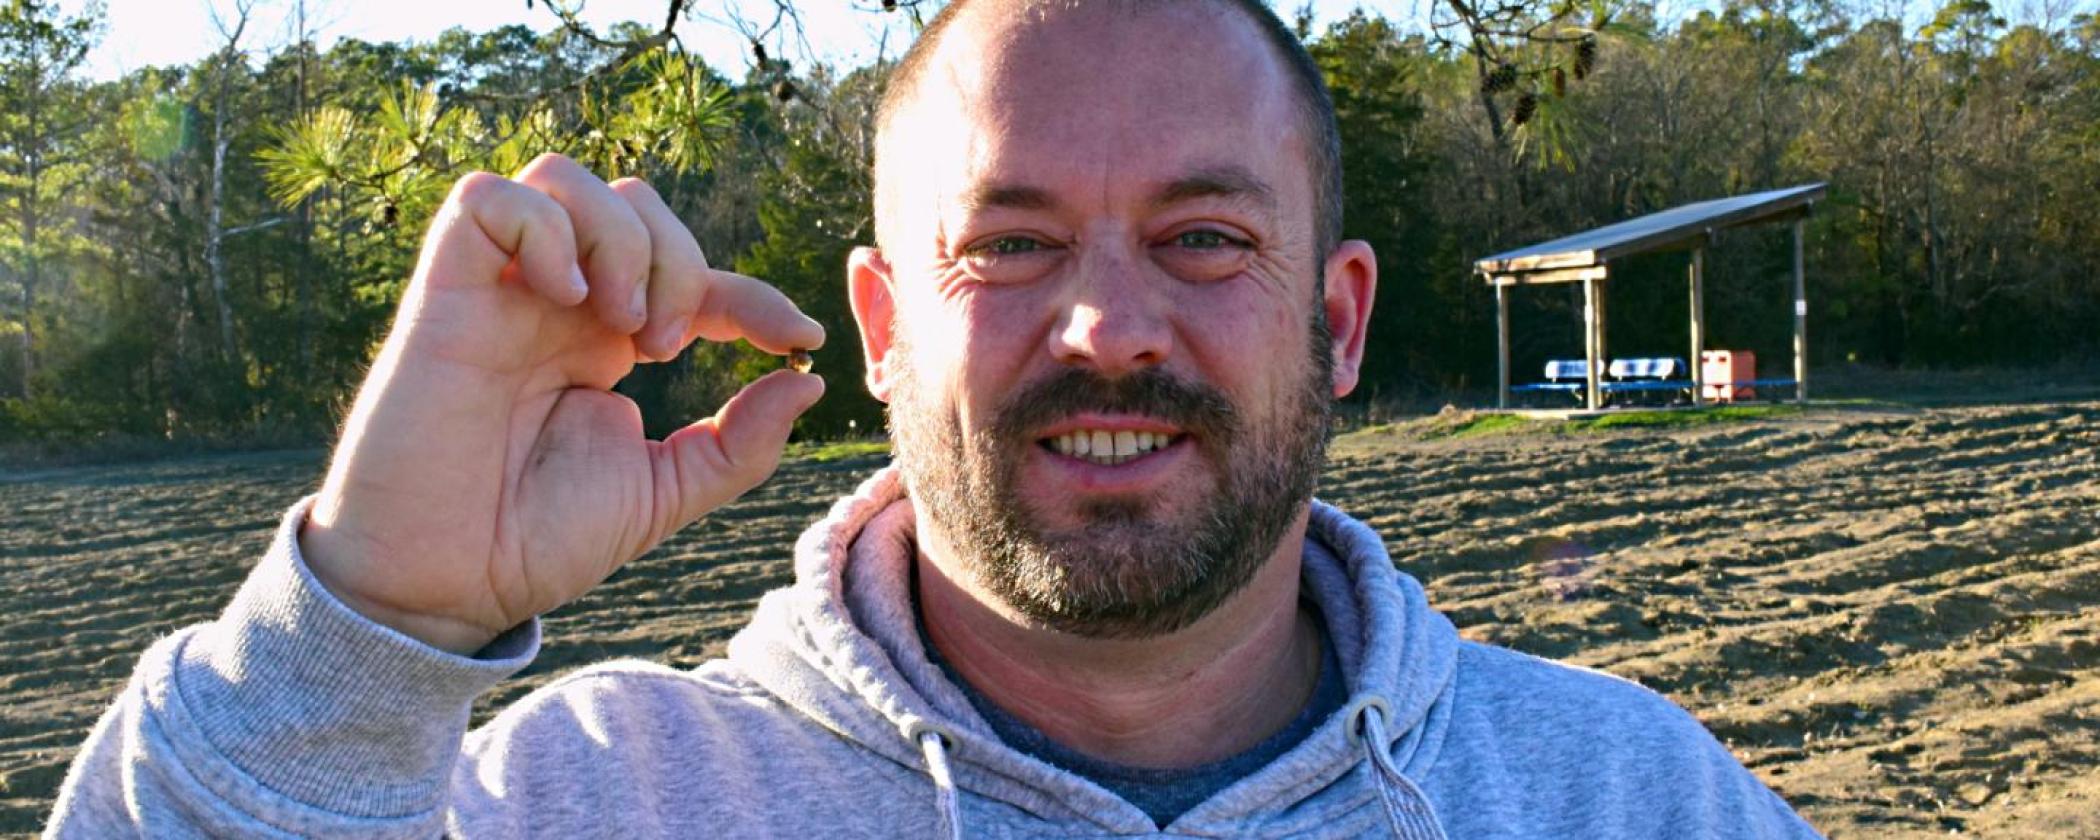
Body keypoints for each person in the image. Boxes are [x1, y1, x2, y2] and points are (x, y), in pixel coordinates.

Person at [47, 0, 1820, 836]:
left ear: (1337, 320)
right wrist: (376, 614)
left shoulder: (1623, 797)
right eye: (1009, 245)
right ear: (883, 331)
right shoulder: (591, 801)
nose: (1107, 326)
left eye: (1205, 240)